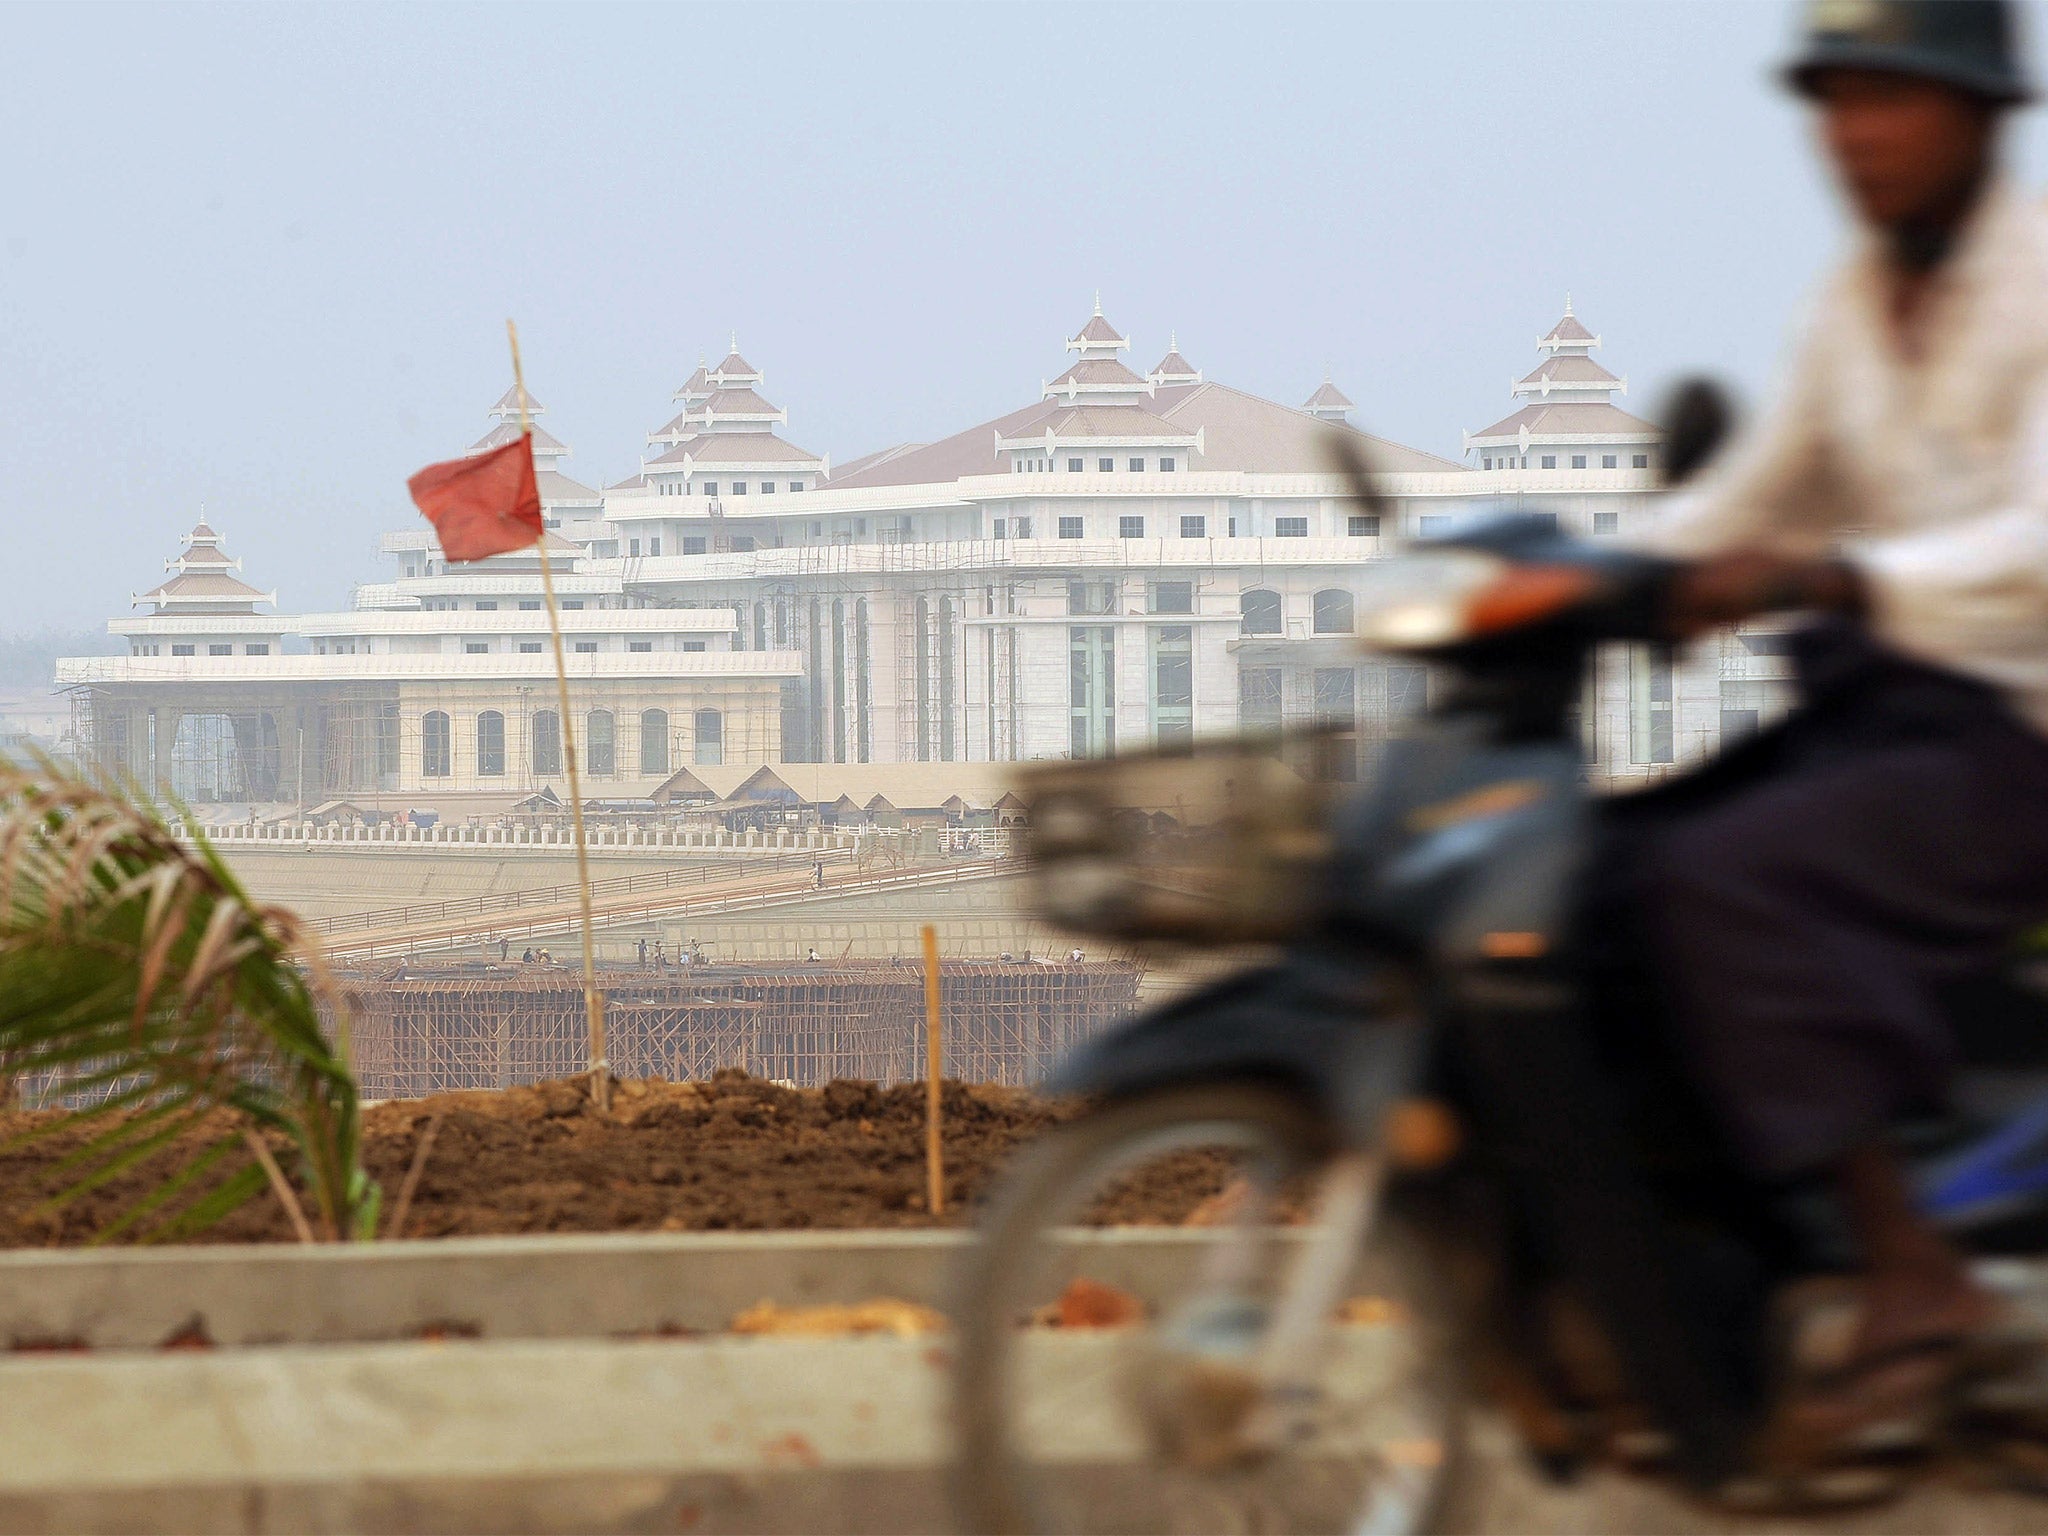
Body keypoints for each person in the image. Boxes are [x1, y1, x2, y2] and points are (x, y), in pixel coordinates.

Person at [1639, 0, 2048, 1455]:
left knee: (1733, 881)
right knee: (1626, 862)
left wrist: (1836, 575)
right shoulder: (1852, 302)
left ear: (1984, 112)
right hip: (1888, 703)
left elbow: (2035, 548)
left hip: (2018, 730)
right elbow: (1765, 490)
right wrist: (1603, 573)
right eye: (1836, 101)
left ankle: (1912, 1273)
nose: (1856, 136)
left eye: (1892, 99)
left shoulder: (2040, 285)